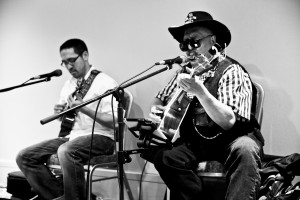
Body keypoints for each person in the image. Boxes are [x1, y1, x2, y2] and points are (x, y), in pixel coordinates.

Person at [145, 11, 265, 200]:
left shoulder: (231, 70)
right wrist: (157, 110)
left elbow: (228, 121)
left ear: (213, 41)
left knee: (246, 148)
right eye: (184, 44)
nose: (188, 49)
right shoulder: (184, 72)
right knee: (164, 156)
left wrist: (200, 92)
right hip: (198, 142)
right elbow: (159, 99)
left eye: (194, 42)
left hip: (230, 139)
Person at [16, 38, 119, 200]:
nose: (69, 66)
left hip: (103, 138)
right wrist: (61, 113)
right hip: (72, 137)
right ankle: (64, 196)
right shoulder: (69, 84)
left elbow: (114, 122)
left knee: (66, 151)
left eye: (72, 60)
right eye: (64, 63)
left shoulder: (105, 83)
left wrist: (84, 108)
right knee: (25, 156)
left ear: (85, 55)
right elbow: (67, 119)